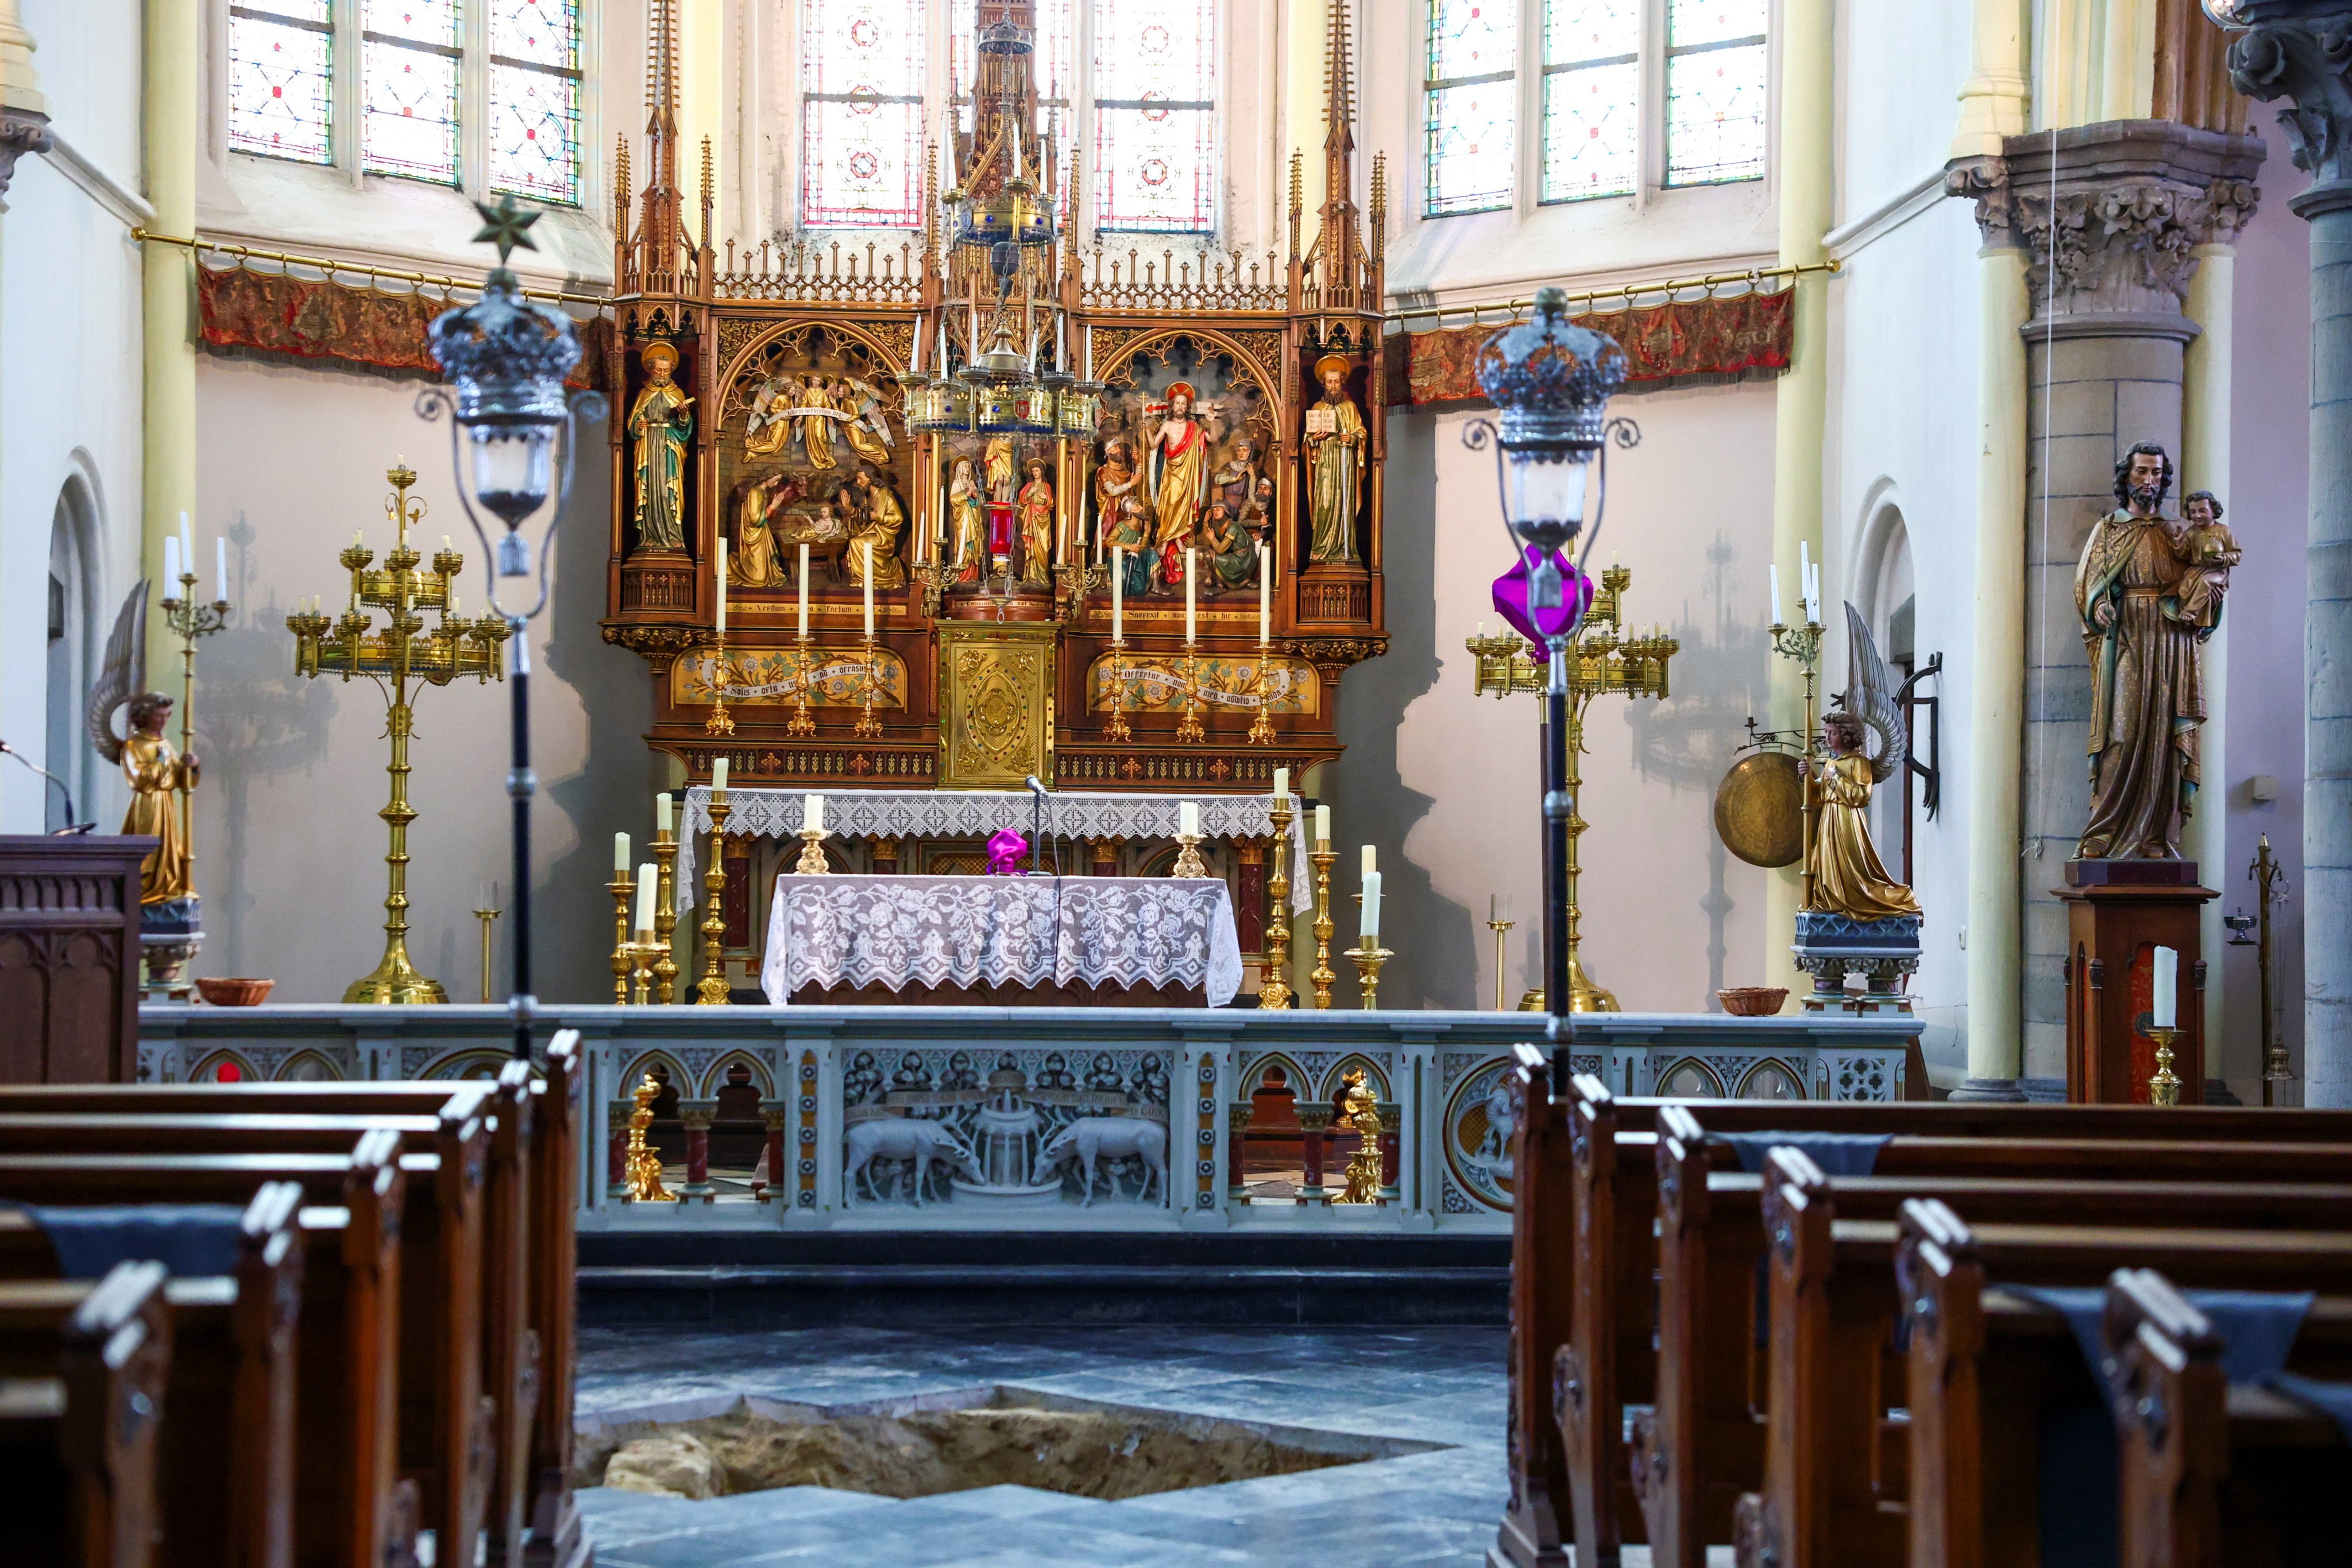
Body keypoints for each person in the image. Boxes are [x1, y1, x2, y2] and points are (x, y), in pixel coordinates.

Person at [2075, 442, 2210, 860]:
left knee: (2164, 736)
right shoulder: (2109, 530)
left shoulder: (2177, 533)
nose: (2148, 481)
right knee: (2123, 729)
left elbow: (2204, 577)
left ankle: (2156, 834)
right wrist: (2098, 603)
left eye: (2155, 473)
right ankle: (2105, 829)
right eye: (2140, 473)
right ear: (2126, 477)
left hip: (2171, 641)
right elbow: (2088, 581)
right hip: (2127, 635)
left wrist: (2206, 599)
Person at [1803, 711, 1919, 921]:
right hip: (1829, 817)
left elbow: (1861, 796)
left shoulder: (1859, 762)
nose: (1827, 738)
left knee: (1851, 867)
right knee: (1825, 863)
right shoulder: (1831, 762)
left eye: (1833, 733)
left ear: (1846, 736)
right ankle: (1831, 902)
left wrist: (1836, 778)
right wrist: (1807, 777)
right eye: (1827, 733)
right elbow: (1819, 797)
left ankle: (1854, 900)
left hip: (1847, 818)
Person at [120, 693, 197, 905]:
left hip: (166, 803)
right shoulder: (133, 745)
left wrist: (192, 766)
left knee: (169, 853)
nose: (163, 721)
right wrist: (159, 763)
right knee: (149, 854)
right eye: (158, 716)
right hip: (147, 805)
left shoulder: (165, 743)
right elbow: (138, 781)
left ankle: (168, 888)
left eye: (166, 716)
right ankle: (145, 893)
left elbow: (183, 782)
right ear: (146, 717)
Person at [627, 341, 694, 551]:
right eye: (658, 369)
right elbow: (632, 424)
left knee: (668, 492)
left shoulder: (679, 393)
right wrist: (639, 424)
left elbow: (686, 430)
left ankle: (674, 535)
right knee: (650, 492)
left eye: (666, 370)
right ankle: (649, 536)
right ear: (650, 369)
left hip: (670, 446)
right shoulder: (643, 393)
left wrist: (683, 415)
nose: (663, 374)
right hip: (648, 446)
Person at [1304, 354, 1364, 564]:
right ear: (1323, 384)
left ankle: (1343, 549)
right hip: (1324, 463)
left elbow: (1361, 432)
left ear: (1342, 383)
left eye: (1337, 382)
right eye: (1329, 382)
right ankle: (1322, 546)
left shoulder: (1350, 407)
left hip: (1344, 460)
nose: (1333, 385)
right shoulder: (1317, 408)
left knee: (1343, 503)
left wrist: (1353, 438)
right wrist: (1313, 439)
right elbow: (1306, 441)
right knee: (1325, 503)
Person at [1148, 382, 1210, 559]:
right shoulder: (1167, 426)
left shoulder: (1194, 427)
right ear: (1172, 406)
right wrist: (1145, 428)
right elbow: (1153, 445)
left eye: (1184, 404)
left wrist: (1211, 423)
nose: (1180, 407)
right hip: (1172, 472)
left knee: (1184, 506)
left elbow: (1210, 438)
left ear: (1187, 407)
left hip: (1187, 474)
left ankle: (1177, 539)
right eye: (1177, 403)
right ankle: (1167, 540)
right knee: (1170, 505)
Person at [2176, 488, 2240, 632]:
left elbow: (2236, 554)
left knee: (2205, 583)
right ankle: (2192, 625)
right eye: (2193, 512)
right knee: (2184, 589)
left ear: (2213, 510)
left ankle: (2190, 613)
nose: (2197, 516)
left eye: (2202, 511)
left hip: (2217, 571)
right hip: (2196, 570)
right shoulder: (2191, 533)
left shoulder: (2223, 531)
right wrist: (2179, 542)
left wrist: (2223, 558)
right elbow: (2183, 555)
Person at [845, 467, 907, 590]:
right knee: (855, 542)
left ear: (871, 480)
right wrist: (849, 508)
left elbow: (898, 518)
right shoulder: (867, 497)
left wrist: (880, 518)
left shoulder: (885, 495)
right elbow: (863, 517)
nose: (858, 482)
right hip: (871, 533)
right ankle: (863, 578)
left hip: (884, 537)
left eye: (860, 479)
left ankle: (880, 573)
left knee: (856, 543)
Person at [729, 473, 793, 588]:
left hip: (761, 534)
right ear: (768, 477)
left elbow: (766, 519)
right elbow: (755, 520)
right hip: (753, 536)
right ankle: (730, 564)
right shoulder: (755, 492)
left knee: (764, 575)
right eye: (776, 480)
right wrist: (772, 506)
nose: (777, 483)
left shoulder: (763, 492)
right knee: (759, 578)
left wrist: (774, 507)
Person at [945, 457, 985, 584]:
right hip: (963, 519)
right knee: (964, 543)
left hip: (974, 518)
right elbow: (953, 500)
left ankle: (973, 575)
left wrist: (975, 496)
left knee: (974, 545)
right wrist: (966, 494)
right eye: (965, 466)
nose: (968, 469)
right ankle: (963, 575)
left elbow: (980, 502)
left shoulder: (972, 483)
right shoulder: (957, 484)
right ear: (960, 469)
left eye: (969, 466)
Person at [1017, 458, 1055, 587]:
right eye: (1033, 471)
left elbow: (1052, 504)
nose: (1035, 473)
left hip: (1044, 520)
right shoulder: (1029, 486)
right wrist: (1029, 494)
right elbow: (1021, 501)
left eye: (1037, 471)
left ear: (1042, 472)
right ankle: (1032, 575)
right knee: (1032, 546)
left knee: (1043, 548)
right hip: (1032, 519)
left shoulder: (1047, 486)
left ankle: (1043, 575)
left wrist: (1047, 498)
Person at [1204, 503, 1258, 591]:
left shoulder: (1233, 527)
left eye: (1218, 509)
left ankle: (1221, 587)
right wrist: (1206, 522)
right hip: (1232, 556)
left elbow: (1221, 550)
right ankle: (1218, 581)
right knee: (1208, 552)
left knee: (1208, 555)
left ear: (1225, 511)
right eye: (1213, 511)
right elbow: (1208, 539)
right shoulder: (1218, 527)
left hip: (1242, 560)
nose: (1215, 512)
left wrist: (1213, 538)